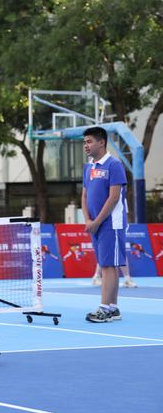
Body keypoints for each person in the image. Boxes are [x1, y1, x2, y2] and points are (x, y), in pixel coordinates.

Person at [82, 126, 128, 322]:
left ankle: (104, 308)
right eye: (84, 142)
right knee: (107, 264)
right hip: (95, 225)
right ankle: (112, 308)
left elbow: (114, 197)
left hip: (111, 223)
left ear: (101, 142)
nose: (86, 145)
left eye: (89, 141)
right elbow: (84, 196)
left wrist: (97, 221)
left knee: (108, 265)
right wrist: (88, 220)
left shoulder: (114, 165)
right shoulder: (88, 167)